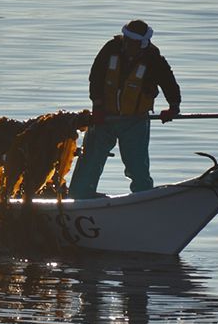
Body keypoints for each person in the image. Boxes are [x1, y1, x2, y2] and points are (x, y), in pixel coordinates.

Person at [68, 20, 182, 199]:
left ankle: (143, 198)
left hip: (135, 121)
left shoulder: (152, 57)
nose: (129, 45)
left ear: (143, 43)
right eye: (127, 39)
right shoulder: (111, 49)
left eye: (134, 42)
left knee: (137, 165)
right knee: (90, 160)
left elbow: (168, 81)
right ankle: (80, 197)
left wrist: (173, 107)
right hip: (105, 118)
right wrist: (97, 106)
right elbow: (95, 77)